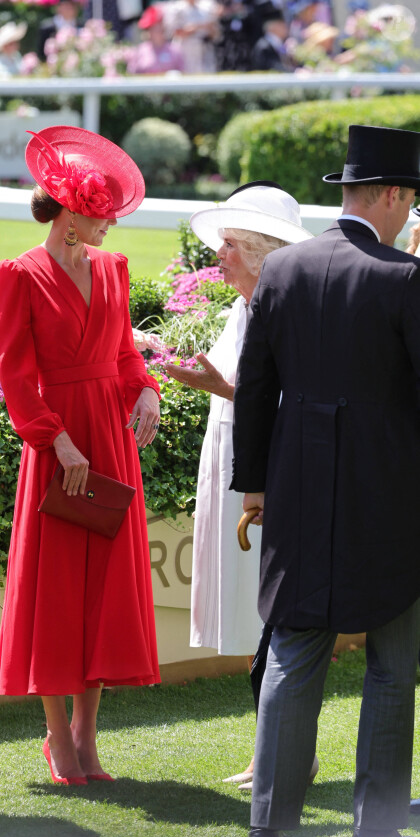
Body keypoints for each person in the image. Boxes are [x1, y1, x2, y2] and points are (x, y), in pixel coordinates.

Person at [231, 124, 420, 837]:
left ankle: (268, 825)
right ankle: (377, 829)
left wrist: (253, 486)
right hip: (392, 499)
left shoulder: (282, 271)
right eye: (409, 200)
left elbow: (255, 389)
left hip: (299, 491)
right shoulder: (405, 279)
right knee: (392, 664)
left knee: (292, 653)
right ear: (391, 194)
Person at [0, 126, 161, 784]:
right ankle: (58, 737)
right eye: (101, 213)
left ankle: (88, 736)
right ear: (69, 212)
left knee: (103, 593)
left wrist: (144, 391)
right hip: (57, 446)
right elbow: (14, 374)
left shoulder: (114, 269)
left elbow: (122, 354)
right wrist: (54, 440)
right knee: (58, 591)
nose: (111, 225)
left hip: (111, 443)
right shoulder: (18, 274)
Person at [164, 182, 313, 790]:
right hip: (233, 461)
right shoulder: (240, 309)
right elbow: (232, 380)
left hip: (267, 468)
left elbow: (276, 397)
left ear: (257, 249)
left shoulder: (289, 311)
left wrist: (219, 388)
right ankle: (272, 751)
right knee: (254, 617)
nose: (218, 256)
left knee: (269, 613)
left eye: (229, 244)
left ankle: (283, 755)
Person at [127, 5, 185, 75]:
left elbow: (182, 73)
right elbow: (132, 74)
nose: (159, 31)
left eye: (160, 28)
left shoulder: (174, 50)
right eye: (155, 28)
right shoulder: (140, 51)